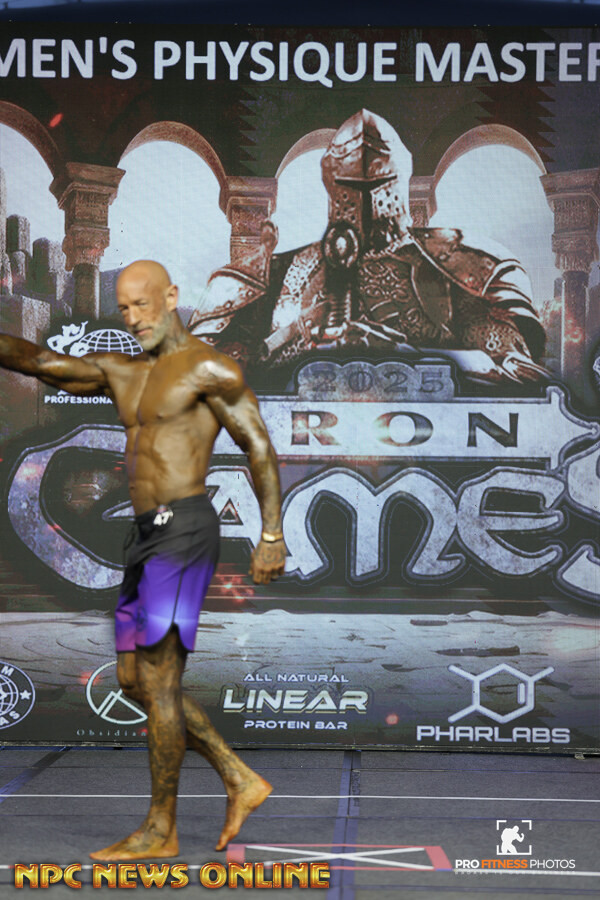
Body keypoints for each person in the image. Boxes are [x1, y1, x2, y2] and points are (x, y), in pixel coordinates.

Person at [0, 259, 286, 860]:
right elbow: (40, 362)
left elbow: (258, 444)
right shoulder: (123, 372)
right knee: (134, 681)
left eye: (143, 304)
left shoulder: (209, 369)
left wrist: (271, 534)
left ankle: (161, 828)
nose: (133, 318)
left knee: (159, 680)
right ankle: (238, 776)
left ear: (172, 297)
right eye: (124, 308)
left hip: (184, 531)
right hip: (144, 538)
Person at [189, 109, 547, 387]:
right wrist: (292, 340)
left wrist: (407, 355)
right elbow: (200, 374)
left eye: (377, 184)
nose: (363, 201)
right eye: (349, 186)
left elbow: (520, 373)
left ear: (398, 179)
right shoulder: (279, 273)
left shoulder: (457, 265)